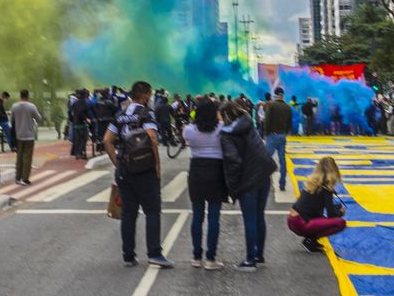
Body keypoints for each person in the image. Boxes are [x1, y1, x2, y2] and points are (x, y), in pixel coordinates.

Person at [104, 80, 173, 269]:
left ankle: (128, 256)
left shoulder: (120, 114)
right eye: (149, 95)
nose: (150, 98)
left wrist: (117, 162)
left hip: (124, 170)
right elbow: (151, 137)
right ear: (144, 95)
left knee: (128, 213)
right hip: (144, 170)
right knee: (152, 211)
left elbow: (107, 140)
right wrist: (157, 165)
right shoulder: (146, 113)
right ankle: (154, 254)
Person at [220, 100, 276, 272]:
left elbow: (234, 162)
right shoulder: (248, 124)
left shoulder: (227, 135)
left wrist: (233, 188)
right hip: (264, 174)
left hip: (248, 178)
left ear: (226, 116)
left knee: (250, 219)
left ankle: (250, 259)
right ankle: (259, 255)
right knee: (259, 216)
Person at [183, 98, 225, 270]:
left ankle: (196, 256)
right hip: (216, 171)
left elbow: (187, 141)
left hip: (196, 171)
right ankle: (210, 258)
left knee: (197, 215)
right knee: (214, 217)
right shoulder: (221, 129)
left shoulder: (189, 130)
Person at [287, 155, 347, 252]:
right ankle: (311, 240)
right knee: (340, 223)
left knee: (322, 217)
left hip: (292, 220)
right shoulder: (326, 188)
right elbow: (331, 214)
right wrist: (341, 212)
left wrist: (336, 207)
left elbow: (313, 205)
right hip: (302, 224)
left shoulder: (312, 183)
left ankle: (311, 240)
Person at [263, 87, 293, 192]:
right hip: (282, 136)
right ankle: (282, 184)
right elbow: (289, 124)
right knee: (282, 162)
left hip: (272, 136)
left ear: (275, 95)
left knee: (265, 159)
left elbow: (267, 121)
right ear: (283, 95)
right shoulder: (288, 107)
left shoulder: (271, 105)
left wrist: (265, 134)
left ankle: (261, 181)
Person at [11, 90, 43, 185]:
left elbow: (12, 119)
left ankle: (18, 177)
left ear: (20, 96)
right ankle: (25, 178)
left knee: (19, 157)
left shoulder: (14, 106)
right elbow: (39, 118)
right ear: (27, 96)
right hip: (29, 136)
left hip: (18, 135)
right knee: (27, 158)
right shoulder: (31, 106)